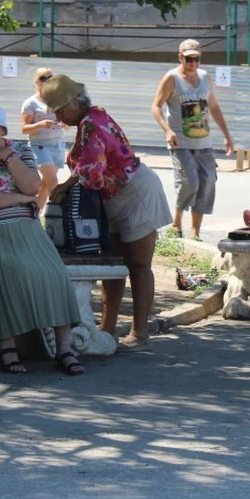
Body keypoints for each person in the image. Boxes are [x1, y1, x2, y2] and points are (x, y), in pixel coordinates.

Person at [0, 101, 86, 375]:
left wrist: (10, 159)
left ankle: (64, 349)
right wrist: (20, 199)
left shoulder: (21, 150)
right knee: (8, 273)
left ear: (2, 129)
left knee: (52, 273)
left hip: (26, 229)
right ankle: (7, 346)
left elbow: (33, 185)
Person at [45, 75, 172, 351]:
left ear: (73, 103)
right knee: (113, 267)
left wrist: (66, 184)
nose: (57, 117)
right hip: (112, 199)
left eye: (58, 110)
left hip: (135, 193)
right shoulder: (90, 119)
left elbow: (91, 170)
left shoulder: (92, 122)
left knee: (138, 266)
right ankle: (108, 327)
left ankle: (140, 332)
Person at [151, 39, 234, 240]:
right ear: (180, 57)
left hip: (204, 142)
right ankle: (177, 223)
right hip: (180, 142)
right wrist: (167, 131)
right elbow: (156, 107)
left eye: (196, 59)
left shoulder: (205, 77)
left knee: (207, 183)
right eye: (189, 59)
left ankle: (195, 231)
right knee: (189, 182)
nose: (193, 64)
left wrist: (227, 135)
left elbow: (213, 107)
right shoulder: (171, 78)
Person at [21, 67, 65, 210]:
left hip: (57, 145)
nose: (46, 81)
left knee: (45, 184)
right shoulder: (30, 103)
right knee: (53, 182)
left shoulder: (58, 101)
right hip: (39, 146)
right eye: (42, 78)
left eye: (49, 78)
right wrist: (40, 124)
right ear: (36, 82)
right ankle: (61, 212)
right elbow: (24, 128)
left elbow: (67, 123)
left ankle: (35, 213)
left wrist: (64, 123)